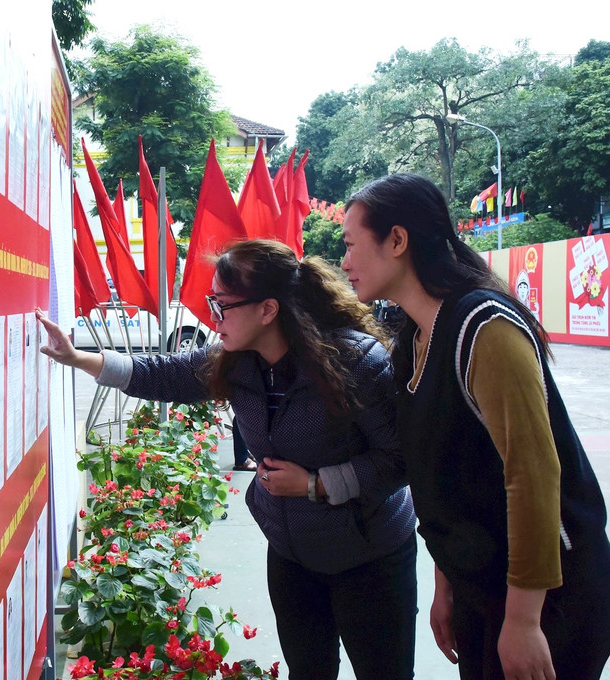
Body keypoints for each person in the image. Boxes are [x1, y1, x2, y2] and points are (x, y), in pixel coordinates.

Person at [37, 239, 418, 680]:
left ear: (268, 310)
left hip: (370, 556)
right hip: (293, 554)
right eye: (211, 303)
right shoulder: (235, 362)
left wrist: (317, 483)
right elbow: (164, 374)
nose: (212, 318)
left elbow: (401, 458)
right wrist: (76, 357)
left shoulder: (357, 362)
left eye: (222, 305)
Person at [341, 173, 610, 680]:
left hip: (550, 596)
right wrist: (446, 586)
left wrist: (524, 621)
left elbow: (533, 475)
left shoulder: (484, 328)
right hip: (481, 585)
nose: (345, 262)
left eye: (351, 245)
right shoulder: (415, 340)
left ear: (396, 241)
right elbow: (442, 480)